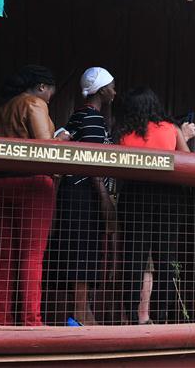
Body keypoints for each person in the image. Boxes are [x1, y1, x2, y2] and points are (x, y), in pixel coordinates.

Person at [116, 86, 195, 324]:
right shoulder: (171, 129)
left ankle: (133, 316)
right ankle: (160, 317)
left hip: (135, 196)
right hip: (167, 198)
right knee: (165, 259)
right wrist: (185, 135)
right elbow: (188, 159)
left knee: (134, 258)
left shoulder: (124, 132)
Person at [0, 65, 61, 326]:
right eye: (50, 92)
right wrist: (62, 138)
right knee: (32, 254)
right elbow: (46, 148)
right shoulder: (34, 103)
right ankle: (31, 320)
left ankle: (2, 320)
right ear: (42, 87)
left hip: (0, 184)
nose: (50, 98)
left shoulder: (0, 111)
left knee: (5, 255)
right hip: (33, 184)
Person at [49, 67, 116, 326]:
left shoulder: (80, 115)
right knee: (82, 252)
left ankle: (81, 311)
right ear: (102, 91)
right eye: (111, 86)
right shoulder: (93, 119)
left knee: (80, 250)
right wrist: (104, 200)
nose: (114, 91)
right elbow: (93, 164)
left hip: (73, 192)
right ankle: (80, 314)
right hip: (84, 193)